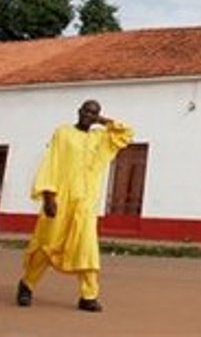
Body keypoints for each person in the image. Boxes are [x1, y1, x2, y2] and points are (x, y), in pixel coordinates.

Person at [15, 99, 133, 312]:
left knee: (86, 249)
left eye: (94, 113)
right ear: (79, 111)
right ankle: (27, 284)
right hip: (60, 200)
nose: (89, 115)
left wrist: (103, 122)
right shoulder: (63, 133)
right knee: (47, 246)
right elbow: (51, 162)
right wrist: (49, 196)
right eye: (87, 111)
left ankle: (88, 296)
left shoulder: (101, 138)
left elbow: (126, 134)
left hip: (86, 204)